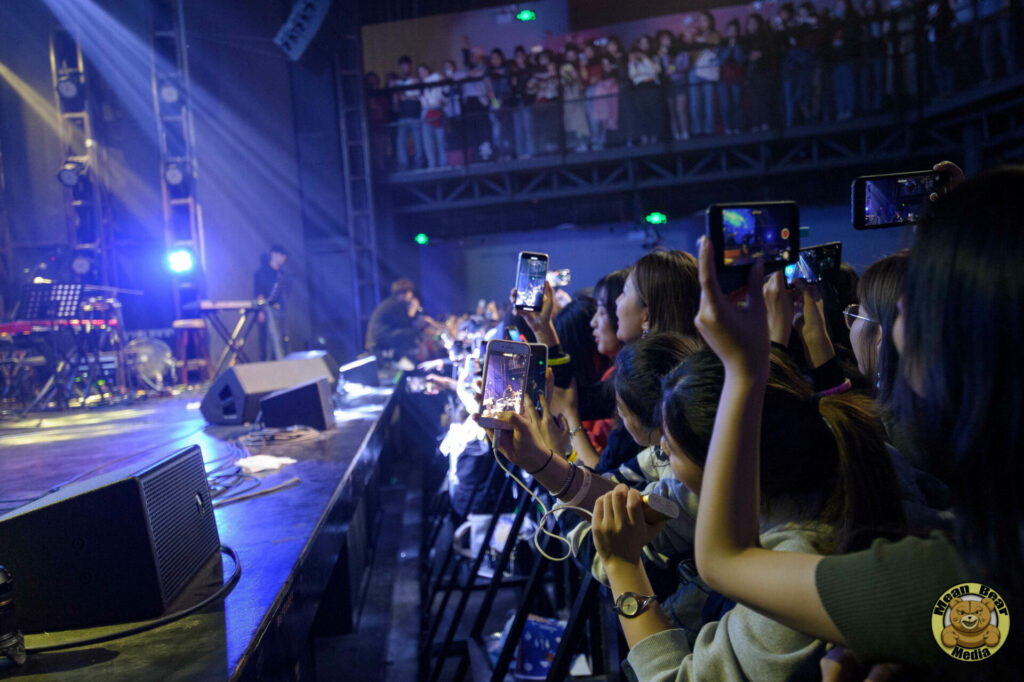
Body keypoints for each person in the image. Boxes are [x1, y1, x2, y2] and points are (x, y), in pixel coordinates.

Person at [687, 167, 1023, 677]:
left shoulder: (962, 582)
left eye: (927, 286)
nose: (902, 304)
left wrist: (746, 370)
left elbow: (724, 559)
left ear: (974, 343)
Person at [590, 346, 906, 680]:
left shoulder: (796, 572)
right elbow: (672, 508)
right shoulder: (833, 461)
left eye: (672, 448)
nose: (663, 450)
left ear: (725, 464)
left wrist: (623, 567)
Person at [365, 278, 418, 360]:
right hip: (379, 345)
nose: (411, 296)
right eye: (409, 292)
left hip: (380, 342)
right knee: (411, 332)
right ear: (404, 293)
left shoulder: (392, 303)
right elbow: (405, 325)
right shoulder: (394, 305)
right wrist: (412, 311)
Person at [253, 244, 288, 360]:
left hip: (280, 311)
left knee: (281, 341)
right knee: (269, 342)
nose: (284, 258)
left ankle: (280, 366)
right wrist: (261, 312)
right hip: (268, 311)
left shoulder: (281, 274)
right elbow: (259, 293)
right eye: (282, 255)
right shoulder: (262, 273)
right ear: (273, 254)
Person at [394, 56, 423, 171]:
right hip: (402, 116)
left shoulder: (416, 80)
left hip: (415, 115)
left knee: (418, 141)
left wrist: (405, 96)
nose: (404, 68)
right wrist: (396, 98)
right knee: (401, 142)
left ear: (410, 66)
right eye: (402, 66)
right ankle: (403, 165)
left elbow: (419, 97)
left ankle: (419, 164)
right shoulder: (398, 83)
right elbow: (396, 101)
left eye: (406, 65)